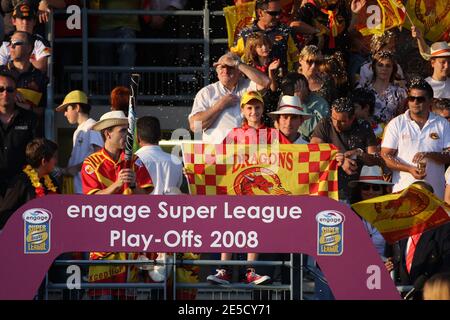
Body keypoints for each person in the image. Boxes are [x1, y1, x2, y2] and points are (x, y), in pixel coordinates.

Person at [207, 91, 287, 286]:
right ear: (243, 110)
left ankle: (251, 272)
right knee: (229, 226)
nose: (253, 111)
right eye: (249, 108)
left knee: (255, 229)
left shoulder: (272, 134)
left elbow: (290, 157)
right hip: (236, 191)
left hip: (261, 194)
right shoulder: (234, 134)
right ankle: (223, 271)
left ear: (262, 108)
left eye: (257, 107)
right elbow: (214, 160)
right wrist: (194, 169)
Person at [81, 110, 154, 299]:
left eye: (129, 131)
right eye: (123, 131)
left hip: (130, 240)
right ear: (108, 133)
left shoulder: (135, 161)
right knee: (102, 295)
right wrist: (116, 185)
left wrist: (135, 187)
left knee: (128, 296)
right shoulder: (91, 163)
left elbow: (148, 201)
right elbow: (91, 201)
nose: (127, 135)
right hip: (102, 239)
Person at [381, 77, 450, 199]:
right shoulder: (396, 123)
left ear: (431, 101)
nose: (415, 102)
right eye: (411, 98)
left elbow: (449, 155)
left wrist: (430, 154)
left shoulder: (442, 123)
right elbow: (385, 156)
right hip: (403, 193)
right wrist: (409, 169)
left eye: (420, 99)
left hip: (434, 196)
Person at [385, 181, 450, 300]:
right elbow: (396, 259)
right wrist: (390, 265)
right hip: (404, 293)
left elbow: (446, 264)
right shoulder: (400, 228)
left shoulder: (444, 228)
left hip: (430, 294)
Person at [188, 52, 270, 144]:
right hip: (216, 152)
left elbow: (266, 82)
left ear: (239, 71)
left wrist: (237, 64)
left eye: (230, 67)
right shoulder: (207, 92)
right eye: (222, 67)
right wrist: (220, 105)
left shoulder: (248, 85)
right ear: (217, 71)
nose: (226, 71)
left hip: (246, 152)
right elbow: (196, 127)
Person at [310, 97, 380, 203]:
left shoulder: (363, 126)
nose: (336, 124)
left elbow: (375, 159)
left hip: (358, 190)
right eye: (334, 118)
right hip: (330, 187)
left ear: (352, 118)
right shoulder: (325, 123)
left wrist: (359, 153)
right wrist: (340, 159)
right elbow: (313, 150)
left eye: (342, 121)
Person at [0, 137, 57, 230]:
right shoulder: (21, 182)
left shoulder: (53, 182)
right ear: (44, 161)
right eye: (54, 157)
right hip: (25, 239)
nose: (56, 161)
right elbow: (4, 215)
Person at [231, 0, 299, 74]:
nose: (278, 16)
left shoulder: (285, 31)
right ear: (260, 13)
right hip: (253, 81)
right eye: (273, 13)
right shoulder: (245, 33)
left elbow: (296, 58)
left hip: (282, 81)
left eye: (279, 12)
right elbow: (234, 56)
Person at [0, 69, 39, 198]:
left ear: (16, 92)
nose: (5, 93)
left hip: (21, 186)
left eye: (9, 90)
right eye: (1, 89)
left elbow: (37, 151)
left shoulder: (30, 119)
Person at [55, 90, 103, 194]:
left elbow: (99, 155)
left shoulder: (92, 126)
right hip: (75, 187)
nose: (65, 114)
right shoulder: (78, 130)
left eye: (66, 109)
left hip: (86, 189)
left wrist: (75, 168)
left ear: (77, 107)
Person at [349, 165, 393, 258]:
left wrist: (390, 262)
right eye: (366, 187)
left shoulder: (391, 215)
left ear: (382, 191)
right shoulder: (349, 215)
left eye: (376, 188)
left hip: (384, 269)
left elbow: (395, 250)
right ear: (359, 190)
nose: (371, 191)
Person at [2, 30, 47, 118]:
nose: (12, 46)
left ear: (29, 48)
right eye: (10, 43)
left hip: (27, 128)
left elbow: (43, 111)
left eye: (17, 43)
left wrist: (28, 107)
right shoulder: (1, 73)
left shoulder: (40, 77)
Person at [135, 115, 182, 195]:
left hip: (143, 206)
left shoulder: (134, 160)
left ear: (137, 138)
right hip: (170, 206)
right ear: (160, 136)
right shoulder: (176, 161)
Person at [357, 50, 407, 125]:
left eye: (388, 66)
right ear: (374, 67)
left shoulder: (400, 93)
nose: (384, 69)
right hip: (367, 133)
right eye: (380, 65)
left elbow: (402, 119)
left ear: (393, 69)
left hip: (390, 133)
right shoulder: (364, 90)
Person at [0, 1, 52, 72]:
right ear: (13, 21)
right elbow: (1, 69)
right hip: (10, 80)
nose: (25, 22)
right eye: (21, 18)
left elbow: (41, 68)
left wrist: (14, 62)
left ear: (34, 22)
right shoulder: (5, 43)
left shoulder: (42, 42)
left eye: (28, 19)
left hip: (31, 81)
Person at [280, 72, 329, 141]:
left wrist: (300, 103)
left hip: (307, 145)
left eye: (298, 89)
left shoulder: (320, 103)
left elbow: (309, 130)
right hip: (286, 143)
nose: (294, 95)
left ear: (305, 87)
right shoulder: (285, 99)